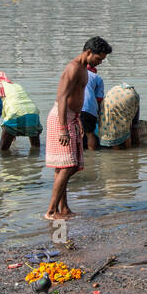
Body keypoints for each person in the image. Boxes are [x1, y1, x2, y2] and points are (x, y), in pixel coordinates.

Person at [45, 37, 112, 220]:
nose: (99, 63)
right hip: (62, 118)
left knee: (66, 167)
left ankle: (63, 208)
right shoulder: (73, 68)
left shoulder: (83, 69)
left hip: (73, 117)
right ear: (88, 52)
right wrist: (63, 128)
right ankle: (51, 211)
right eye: (98, 59)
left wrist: (78, 120)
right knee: (66, 167)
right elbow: (61, 98)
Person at [0, 72, 42, 153]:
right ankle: (36, 163)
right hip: (34, 114)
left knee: (3, 151)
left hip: (14, 115)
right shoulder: (16, 85)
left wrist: (8, 131)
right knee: (36, 149)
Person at [98, 83, 143, 149]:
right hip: (129, 98)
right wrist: (138, 144)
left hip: (110, 100)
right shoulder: (133, 94)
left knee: (112, 128)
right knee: (128, 126)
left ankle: (116, 152)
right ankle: (129, 151)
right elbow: (134, 126)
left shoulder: (115, 90)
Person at [81, 62, 106, 150]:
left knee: (76, 131)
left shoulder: (76, 74)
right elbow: (99, 99)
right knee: (90, 132)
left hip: (74, 107)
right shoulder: (97, 78)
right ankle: (92, 154)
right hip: (88, 108)